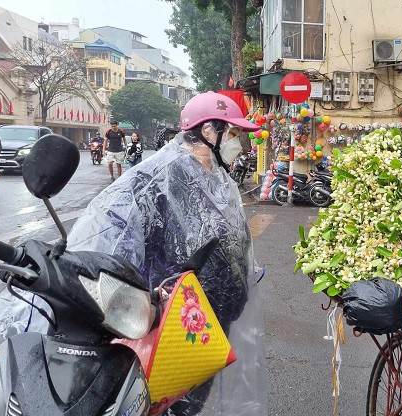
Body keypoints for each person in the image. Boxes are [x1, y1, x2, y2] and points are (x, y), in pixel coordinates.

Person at [66, 92, 266, 415]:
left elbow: (227, 239)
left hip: (208, 328)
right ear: (208, 132)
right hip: (169, 326)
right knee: (163, 404)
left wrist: (246, 268)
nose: (238, 144)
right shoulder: (158, 177)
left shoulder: (219, 179)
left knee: (188, 405)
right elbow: (114, 241)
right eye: (232, 134)